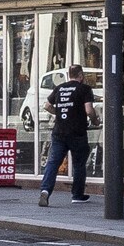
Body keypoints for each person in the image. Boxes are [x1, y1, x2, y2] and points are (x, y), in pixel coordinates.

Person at [38, 62, 95, 207]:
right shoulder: (84, 89)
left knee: (53, 162)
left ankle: (45, 191)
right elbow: (88, 110)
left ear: (69, 76)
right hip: (77, 132)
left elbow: (46, 105)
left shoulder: (59, 88)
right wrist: (95, 120)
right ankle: (77, 195)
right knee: (79, 164)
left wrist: (58, 113)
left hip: (59, 132)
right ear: (81, 75)